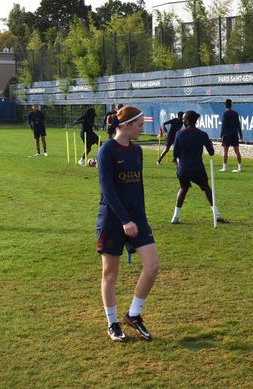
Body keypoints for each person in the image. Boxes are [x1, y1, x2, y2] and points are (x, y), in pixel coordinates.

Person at [96, 105, 160, 342]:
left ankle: (133, 315)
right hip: (113, 219)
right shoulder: (107, 150)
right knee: (110, 274)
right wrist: (125, 220)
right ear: (125, 125)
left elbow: (138, 187)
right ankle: (112, 323)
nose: (143, 129)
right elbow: (108, 190)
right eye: (140, 125)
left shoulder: (137, 151)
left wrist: (139, 218)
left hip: (137, 218)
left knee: (152, 266)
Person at [171, 110, 223, 224]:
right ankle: (217, 214)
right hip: (197, 168)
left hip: (183, 168)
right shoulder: (202, 134)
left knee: (183, 189)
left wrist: (177, 159)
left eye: (184, 119)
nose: (182, 121)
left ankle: (175, 217)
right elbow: (211, 152)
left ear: (187, 121)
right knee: (206, 188)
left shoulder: (179, 134)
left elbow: (175, 154)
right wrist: (208, 143)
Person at [220, 99, 243, 172]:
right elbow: (238, 125)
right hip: (234, 133)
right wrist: (241, 135)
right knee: (237, 151)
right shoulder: (235, 114)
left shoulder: (225, 113)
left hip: (227, 133)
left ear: (225, 105)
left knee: (225, 151)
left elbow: (223, 125)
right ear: (231, 105)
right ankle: (239, 168)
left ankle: (225, 167)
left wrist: (221, 135)